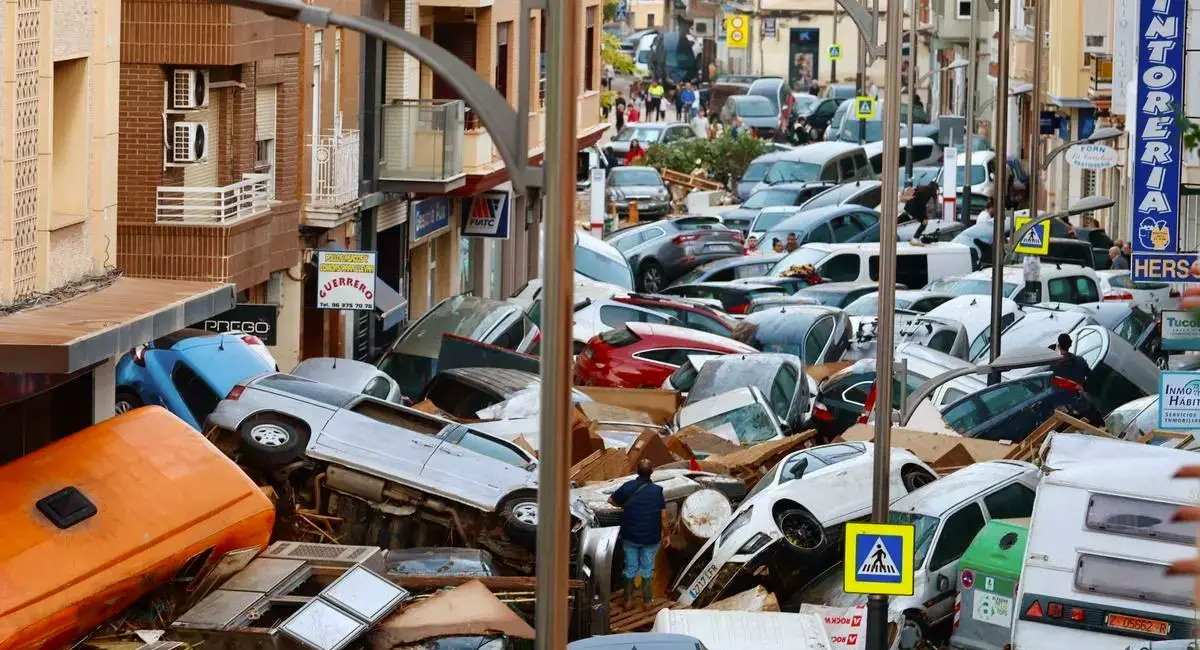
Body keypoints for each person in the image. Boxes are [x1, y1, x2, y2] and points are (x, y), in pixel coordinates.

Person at [609, 459, 669, 607]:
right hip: (651, 538)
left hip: (630, 537)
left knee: (630, 568)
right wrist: (666, 535)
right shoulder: (657, 491)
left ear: (637, 471)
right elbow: (664, 517)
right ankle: (647, 601)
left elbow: (611, 500)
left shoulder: (628, 487)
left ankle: (628, 600)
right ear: (652, 472)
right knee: (647, 568)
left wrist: (624, 505)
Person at [1050, 332, 1092, 414]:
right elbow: (1091, 377)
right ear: (1070, 345)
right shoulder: (1080, 360)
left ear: (1058, 346)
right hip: (1083, 403)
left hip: (1068, 410)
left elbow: (1054, 390)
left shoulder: (1054, 368)